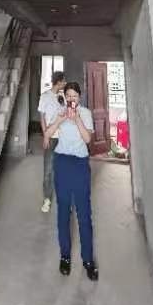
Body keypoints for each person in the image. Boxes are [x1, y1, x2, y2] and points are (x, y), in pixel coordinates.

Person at [44, 81, 98, 281]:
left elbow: (87, 139)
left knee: (84, 213)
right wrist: (60, 120)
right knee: (63, 212)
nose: (71, 99)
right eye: (68, 96)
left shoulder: (86, 113)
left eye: (75, 96)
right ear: (65, 97)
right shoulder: (60, 112)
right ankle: (65, 256)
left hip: (80, 164)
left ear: (79, 97)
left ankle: (88, 260)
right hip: (62, 163)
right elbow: (48, 134)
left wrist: (77, 120)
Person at [38, 71, 66, 213]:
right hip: (51, 137)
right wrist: (45, 136)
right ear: (58, 82)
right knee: (48, 170)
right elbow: (42, 118)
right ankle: (47, 199)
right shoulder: (45, 96)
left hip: (63, 137)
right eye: (64, 81)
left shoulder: (62, 97)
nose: (65, 83)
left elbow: (66, 114)